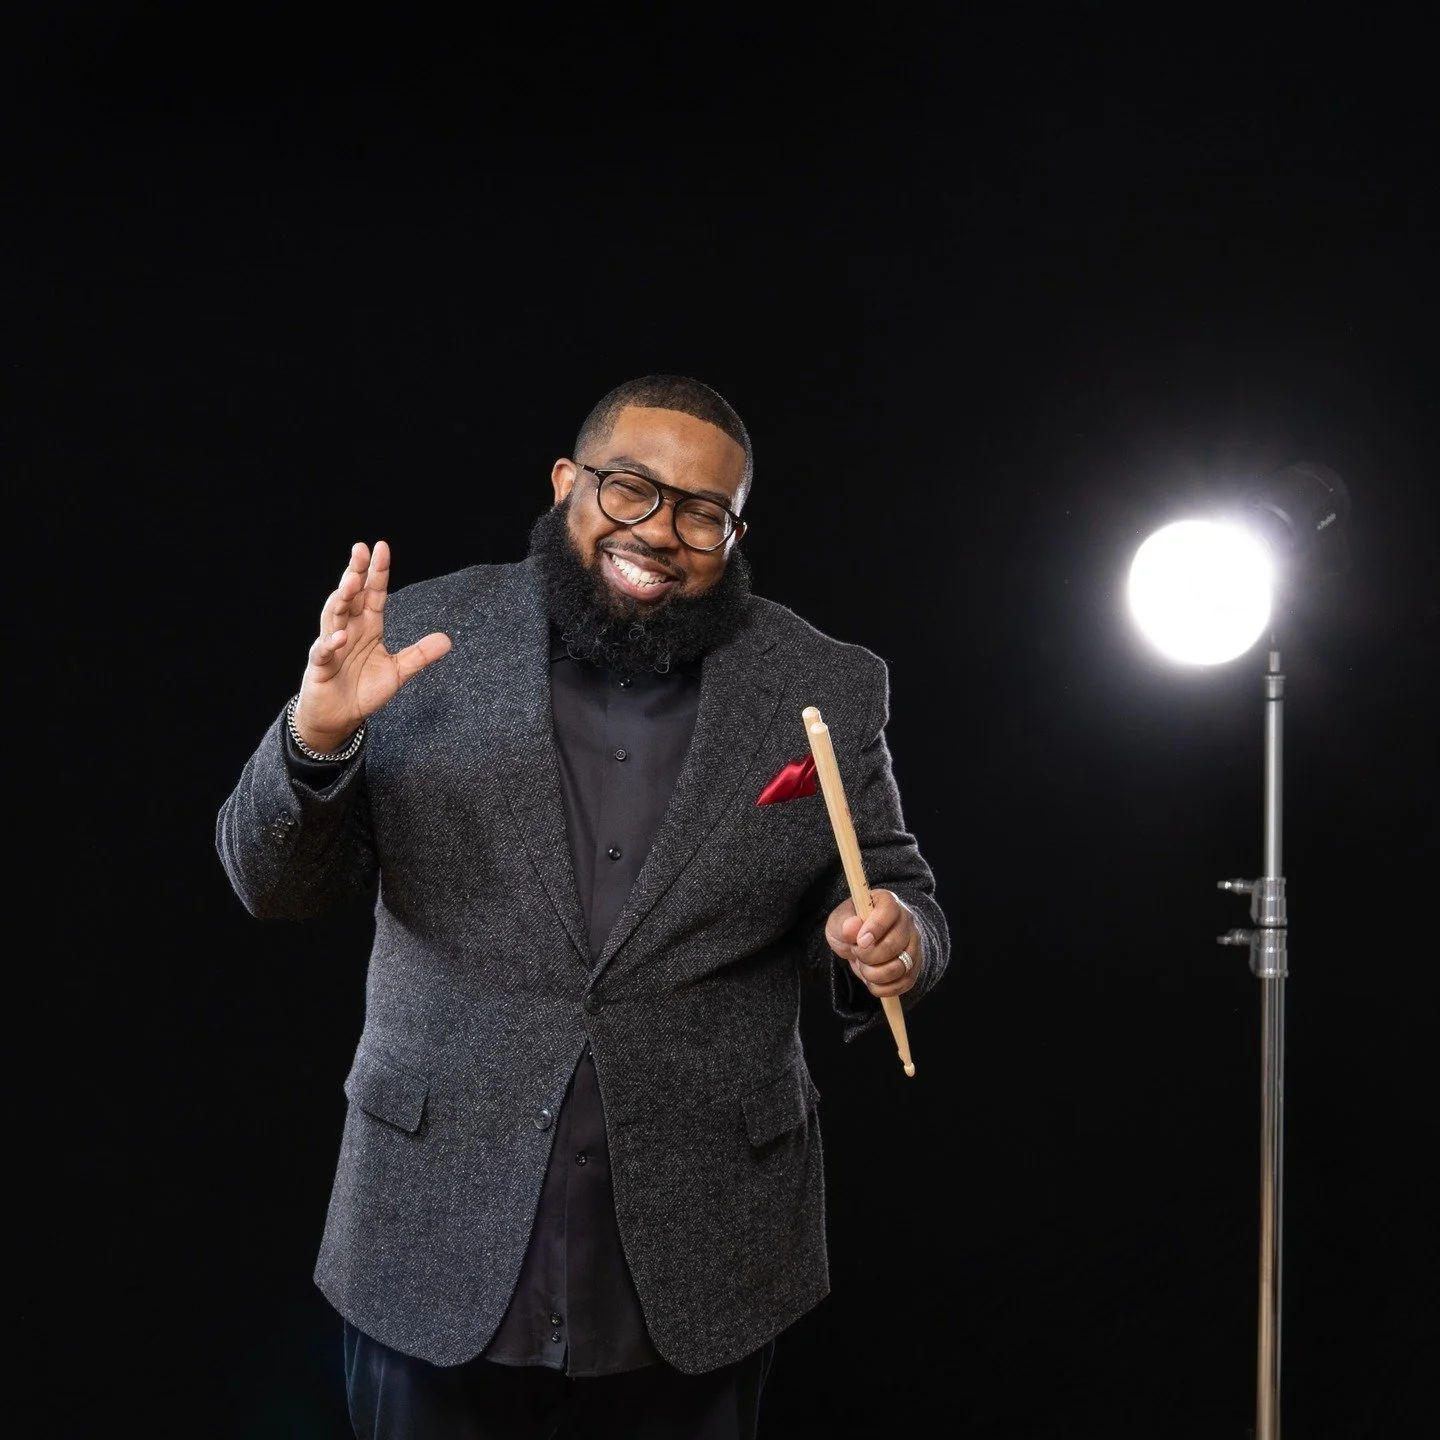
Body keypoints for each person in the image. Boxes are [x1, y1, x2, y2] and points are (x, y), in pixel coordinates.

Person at [216, 373, 950, 1439]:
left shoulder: (821, 682)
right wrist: (316, 738)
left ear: (735, 534)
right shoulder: (417, 640)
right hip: (432, 1233)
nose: (659, 532)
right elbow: (269, 882)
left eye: (703, 512)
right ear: (568, 483)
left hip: (703, 1256)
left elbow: (887, 881)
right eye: (630, 489)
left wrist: (892, 937)